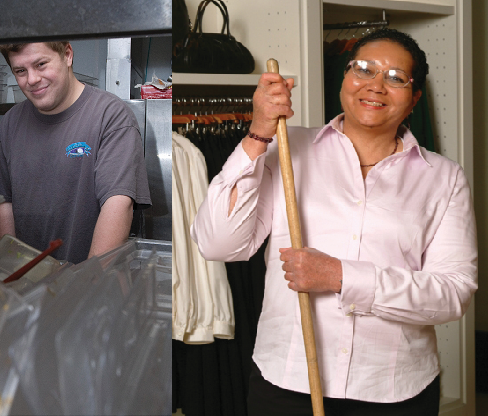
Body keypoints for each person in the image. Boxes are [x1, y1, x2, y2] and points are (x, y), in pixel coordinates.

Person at [191, 28, 477, 415]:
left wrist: (341, 277)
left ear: (414, 99)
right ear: (344, 77)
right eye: (364, 69)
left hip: (394, 391)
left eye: (395, 78)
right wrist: (258, 132)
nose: (376, 85)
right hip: (287, 384)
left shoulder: (444, 177)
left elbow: (452, 294)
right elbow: (217, 244)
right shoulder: (286, 149)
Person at [0, 41, 151, 264]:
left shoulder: (110, 116)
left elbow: (118, 205)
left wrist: (87, 283)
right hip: (30, 287)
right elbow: (5, 203)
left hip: (89, 284)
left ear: (67, 55)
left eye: (41, 64)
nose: (31, 79)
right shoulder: (11, 122)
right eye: (20, 71)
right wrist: (14, 273)